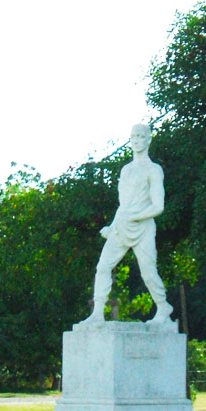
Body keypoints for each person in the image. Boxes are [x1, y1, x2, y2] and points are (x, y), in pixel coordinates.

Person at [80, 124, 174, 325]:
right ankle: (97, 312)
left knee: (148, 271)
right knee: (103, 266)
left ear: (148, 139)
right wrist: (113, 226)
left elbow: (158, 206)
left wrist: (136, 217)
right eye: (134, 136)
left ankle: (163, 307)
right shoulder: (126, 170)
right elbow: (124, 205)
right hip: (122, 226)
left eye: (141, 136)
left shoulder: (154, 170)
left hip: (144, 227)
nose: (137, 140)